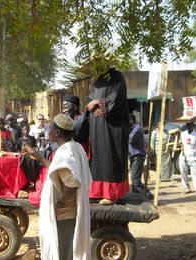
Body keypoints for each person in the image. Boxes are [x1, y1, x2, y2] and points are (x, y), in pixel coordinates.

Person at [22, 114, 91, 260]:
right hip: (68, 210)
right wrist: (39, 157)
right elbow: (57, 168)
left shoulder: (66, 153)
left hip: (65, 213)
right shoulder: (74, 147)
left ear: (57, 132)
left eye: (51, 127)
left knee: (63, 249)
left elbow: (72, 183)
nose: (48, 129)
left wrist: (59, 203)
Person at [86, 66, 129, 205]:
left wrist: (97, 103)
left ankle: (112, 194)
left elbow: (116, 100)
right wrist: (89, 105)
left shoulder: (117, 77)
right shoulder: (97, 80)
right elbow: (89, 100)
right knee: (98, 159)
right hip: (97, 129)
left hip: (112, 128)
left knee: (110, 158)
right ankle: (98, 192)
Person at [179, 121, 196, 196]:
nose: (188, 126)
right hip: (183, 157)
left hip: (193, 157)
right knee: (183, 173)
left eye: (190, 124)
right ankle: (186, 188)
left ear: (193, 125)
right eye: (187, 124)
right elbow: (180, 144)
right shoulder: (182, 134)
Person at [129, 114, 153, 199]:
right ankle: (137, 197)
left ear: (131, 121)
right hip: (133, 156)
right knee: (134, 180)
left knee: (135, 179)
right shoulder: (132, 129)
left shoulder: (137, 129)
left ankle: (147, 196)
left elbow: (130, 140)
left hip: (138, 156)